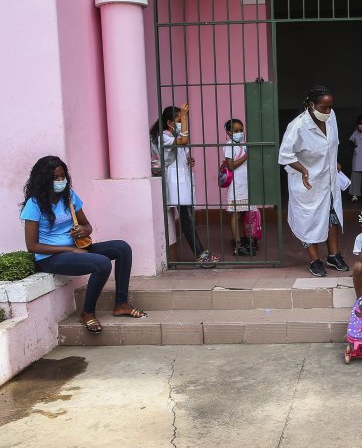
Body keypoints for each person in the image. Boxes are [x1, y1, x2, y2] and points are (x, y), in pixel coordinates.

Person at [20, 156, 147, 333]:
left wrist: (83, 230)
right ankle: (87, 312)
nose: (60, 181)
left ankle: (121, 303)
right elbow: (32, 246)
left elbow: (87, 226)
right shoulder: (34, 204)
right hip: (50, 257)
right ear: (44, 180)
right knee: (101, 264)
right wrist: (69, 249)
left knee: (122, 248)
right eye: (55, 178)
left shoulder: (69, 196)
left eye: (62, 176)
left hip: (76, 248)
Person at [279, 85, 349, 277]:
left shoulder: (331, 117)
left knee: (331, 216)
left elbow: (332, 145)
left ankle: (333, 256)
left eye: (330, 107)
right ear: (311, 105)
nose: (328, 111)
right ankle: (315, 260)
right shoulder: (298, 126)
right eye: (323, 108)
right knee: (308, 221)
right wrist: (302, 170)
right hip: (307, 183)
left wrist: (334, 163)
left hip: (328, 179)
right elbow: (284, 155)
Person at [150, 104, 219, 267]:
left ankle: (202, 253)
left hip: (182, 179)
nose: (182, 122)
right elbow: (184, 140)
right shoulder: (164, 136)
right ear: (169, 122)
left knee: (188, 218)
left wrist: (189, 160)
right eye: (178, 120)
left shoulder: (173, 135)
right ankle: (201, 255)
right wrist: (186, 117)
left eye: (182, 119)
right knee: (187, 220)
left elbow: (181, 150)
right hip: (175, 182)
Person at [223, 118, 252, 257]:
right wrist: (246, 156)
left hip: (245, 183)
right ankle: (238, 244)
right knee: (235, 214)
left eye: (241, 130)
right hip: (236, 185)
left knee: (242, 214)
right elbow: (230, 165)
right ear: (229, 133)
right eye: (236, 131)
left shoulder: (243, 144)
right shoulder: (229, 146)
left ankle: (243, 239)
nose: (239, 133)